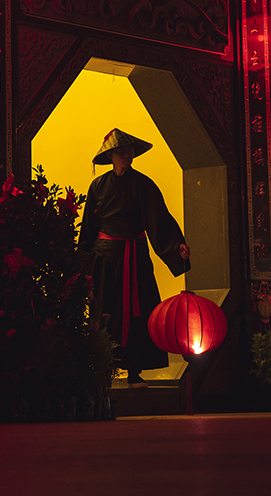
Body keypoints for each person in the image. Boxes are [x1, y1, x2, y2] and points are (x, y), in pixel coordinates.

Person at [78, 127, 190, 385]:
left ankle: (135, 370)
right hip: (105, 260)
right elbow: (89, 227)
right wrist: (82, 263)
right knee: (103, 311)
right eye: (122, 151)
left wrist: (177, 247)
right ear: (112, 155)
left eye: (129, 151)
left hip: (135, 259)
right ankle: (101, 369)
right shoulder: (98, 186)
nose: (127, 155)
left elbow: (159, 220)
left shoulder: (143, 184)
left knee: (141, 313)